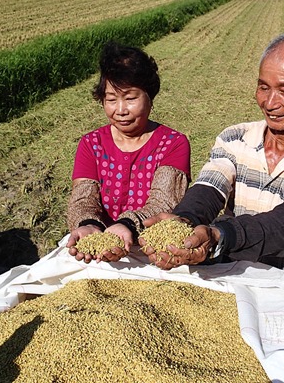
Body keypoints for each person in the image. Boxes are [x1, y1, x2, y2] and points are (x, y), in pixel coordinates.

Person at [140, 33, 284, 278]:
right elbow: (210, 186)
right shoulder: (235, 137)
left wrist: (220, 235)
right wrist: (185, 219)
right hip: (229, 274)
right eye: (263, 87)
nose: (270, 103)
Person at [66, 42, 191, 263]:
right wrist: (89, 225)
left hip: (151, 249)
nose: (121, 110)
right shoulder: (91, 144)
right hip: (99, 247)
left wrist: (127, 225)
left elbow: (164, 202)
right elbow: (83, 199)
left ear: (150, 98)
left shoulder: (174, 143)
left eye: (131, 98)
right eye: (111, 99)